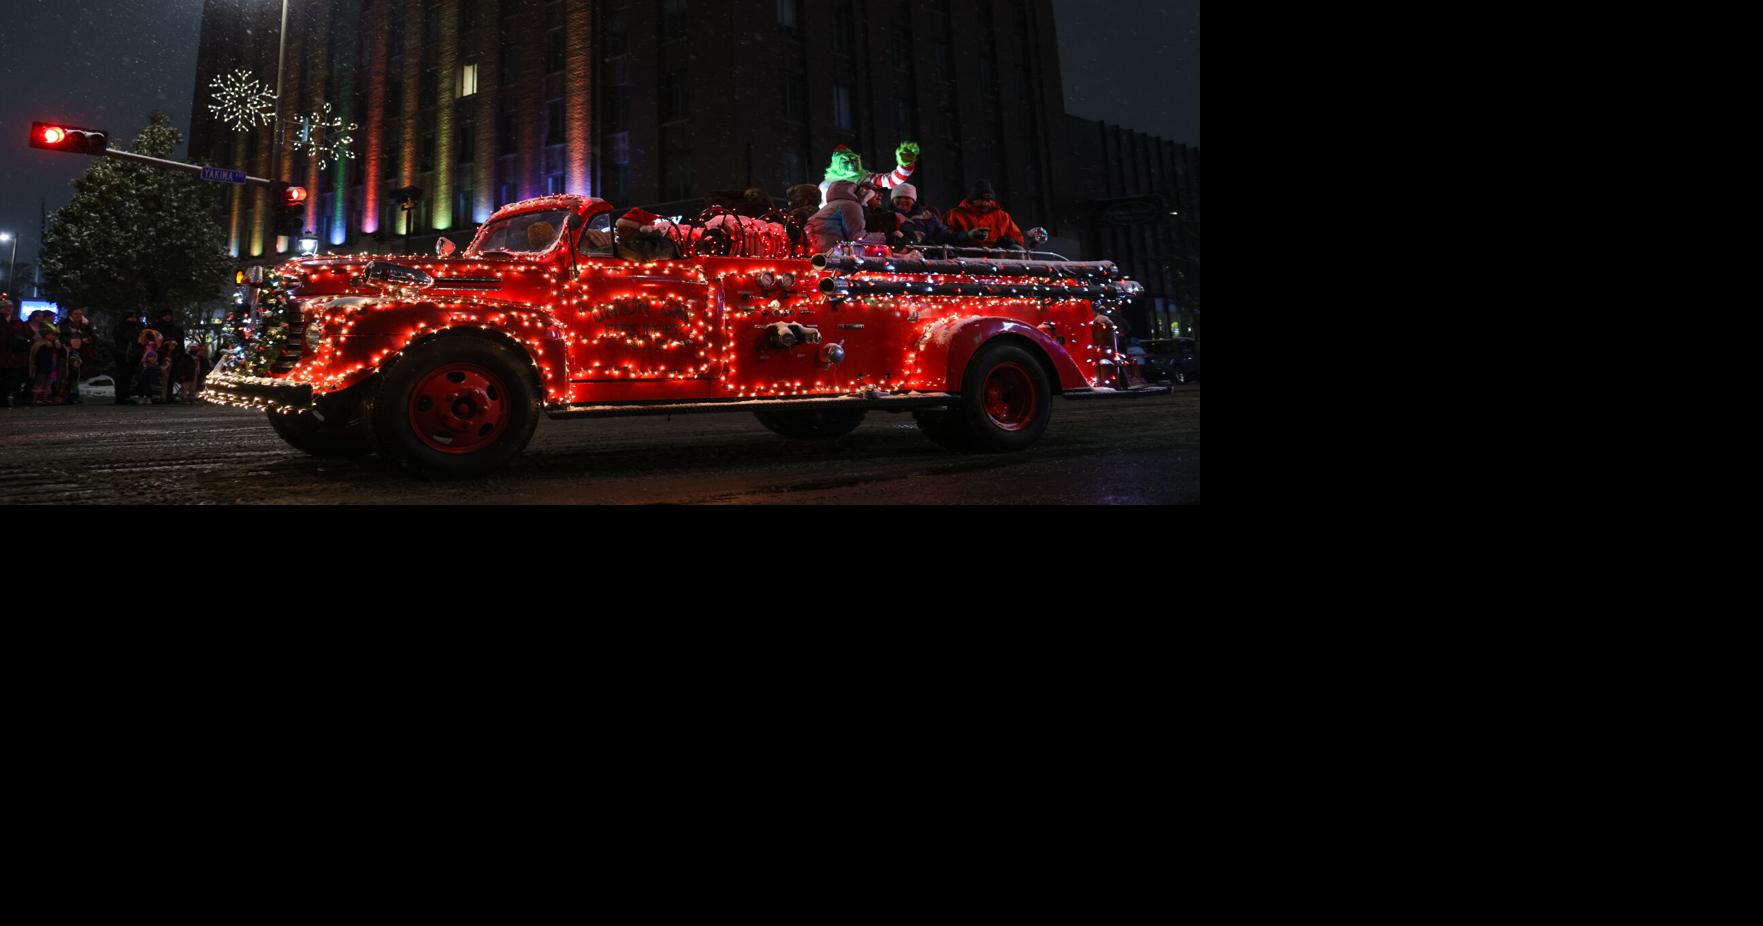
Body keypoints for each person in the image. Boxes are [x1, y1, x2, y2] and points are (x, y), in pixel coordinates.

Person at [818, 142, 920, 205]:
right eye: (845, 161)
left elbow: (892, 180)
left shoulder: (865, 178)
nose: (852, 164)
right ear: (836, 165)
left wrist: (905, 164)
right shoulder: (826, 186)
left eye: (854, 160)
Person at [944, 179, 1026, 249]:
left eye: (989, 200)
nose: (986, 204)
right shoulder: (954, 215)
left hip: (998, 259)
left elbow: (1019, 239)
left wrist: (1011, 241)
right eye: (982, 200)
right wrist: (967, 236)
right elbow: (944, 238)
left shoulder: (1003, 217)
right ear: (973, 199)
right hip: (966, 258)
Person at [806, 180, 874, 253]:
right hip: (834, 253)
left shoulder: (830, 206)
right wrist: (884, 237)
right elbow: (858, 237)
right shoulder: (851, 205)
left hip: (818, 250)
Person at [888, 183, 962, 247]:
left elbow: (944, 235)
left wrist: (967, 235)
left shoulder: (928, 217)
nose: (903, 200)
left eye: (907, 197)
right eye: (898, 197)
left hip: (927, 257)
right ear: (892, 200)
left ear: (913, 201)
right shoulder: (886, 216)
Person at [1, 298, 30, 408]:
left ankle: (11, 399)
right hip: (3, 354)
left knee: (13, 379)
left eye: (10, 307)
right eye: (4, 307)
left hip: (14, 356)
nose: (7, 309)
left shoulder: (17, 321)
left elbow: (24, 336)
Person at [114, 313, 145, 405]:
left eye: (134, 317)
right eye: (131, 317)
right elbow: (120, 339)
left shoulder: (138, 327)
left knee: (129, 376)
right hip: (123, 355)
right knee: (122, 376)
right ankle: (121, 397)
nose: (133, 319)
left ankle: (126, 396)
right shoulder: (121, 328)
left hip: (134, 355)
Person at [29, 324, 65, 405]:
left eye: (53, 335)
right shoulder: (41, 345)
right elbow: (40, 358)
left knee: (48, 383)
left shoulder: (53, 344)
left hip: (52, 367)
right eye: (50, 335)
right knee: (40, 383)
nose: (52, 336)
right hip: (43, 367)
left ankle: (45, 398)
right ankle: (36, 399)